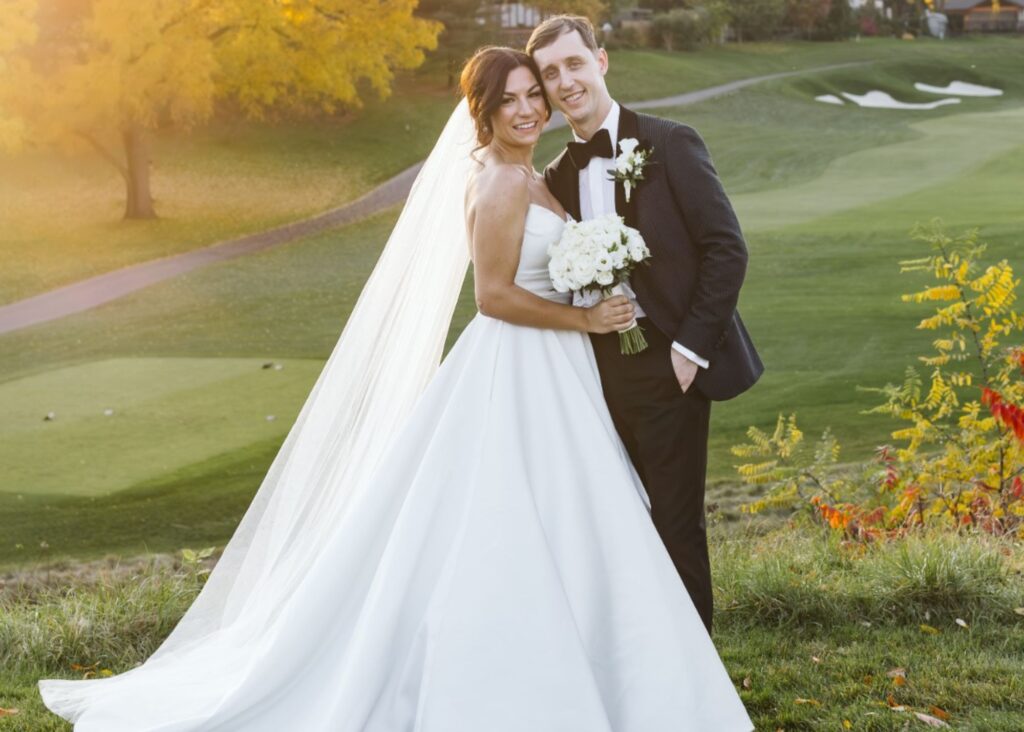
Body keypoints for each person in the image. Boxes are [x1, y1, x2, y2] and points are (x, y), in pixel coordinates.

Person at [37, 46, 753, 731]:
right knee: (507, 515)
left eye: (534, 94)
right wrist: (586, 316)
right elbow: (494, 297)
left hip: (561, 366)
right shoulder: (500, 181)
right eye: (511, 101)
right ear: (484, 113)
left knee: (577, 510)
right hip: (518, 362)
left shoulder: (538, 175)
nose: (530, 108)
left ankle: (613, 661)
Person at [529, 16, 764, 633]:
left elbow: (726, 249)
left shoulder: (670, 141)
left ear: (601, 62)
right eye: (551, 73)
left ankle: (696, 685)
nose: (565, 81)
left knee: (675, 521)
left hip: (672, 365)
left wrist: (689, 348)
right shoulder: (555, 179)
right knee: (619, 520)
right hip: (598, 373)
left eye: (574, 64)